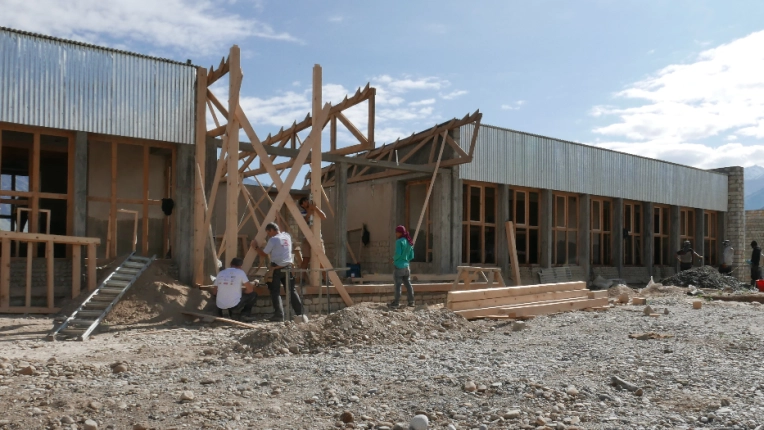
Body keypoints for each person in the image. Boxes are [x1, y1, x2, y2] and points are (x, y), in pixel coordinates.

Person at [252, 223, 304, 322]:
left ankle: (279, 315)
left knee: (275, 291)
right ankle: (300, 313)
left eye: (268, 233)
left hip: (277, 268)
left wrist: (255, 247)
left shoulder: (273, 239)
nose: (269, 235)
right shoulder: (287, 236)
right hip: (288, 267)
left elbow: (264, 253)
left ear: (271, 230)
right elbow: (282, 229)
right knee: (291, 290)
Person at [388, 225, 415, 309]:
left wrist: (393, 259)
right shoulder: (408, 241)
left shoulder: (399, 242)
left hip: (399, 266)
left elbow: (398, 253)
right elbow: (411, 255)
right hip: (407, 267)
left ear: (400, 232)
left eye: (397, 232)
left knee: (398, 285)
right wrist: (406, 260)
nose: (396, 234)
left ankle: (396, 303)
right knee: (408, 284)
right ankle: (411, 302)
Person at [297, 196, 327, 271]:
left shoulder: (316, 211)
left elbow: (324, 217)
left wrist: (315, 208)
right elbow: (303, 222)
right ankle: (302, 280)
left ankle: (326, 279)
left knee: (321, 259)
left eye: (307, 200)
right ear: (302, 205)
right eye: (304, 201)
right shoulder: (302, 213)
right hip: (306, 238)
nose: (307, 202)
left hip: (317, 237)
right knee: (306, 259)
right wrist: (309, 212)